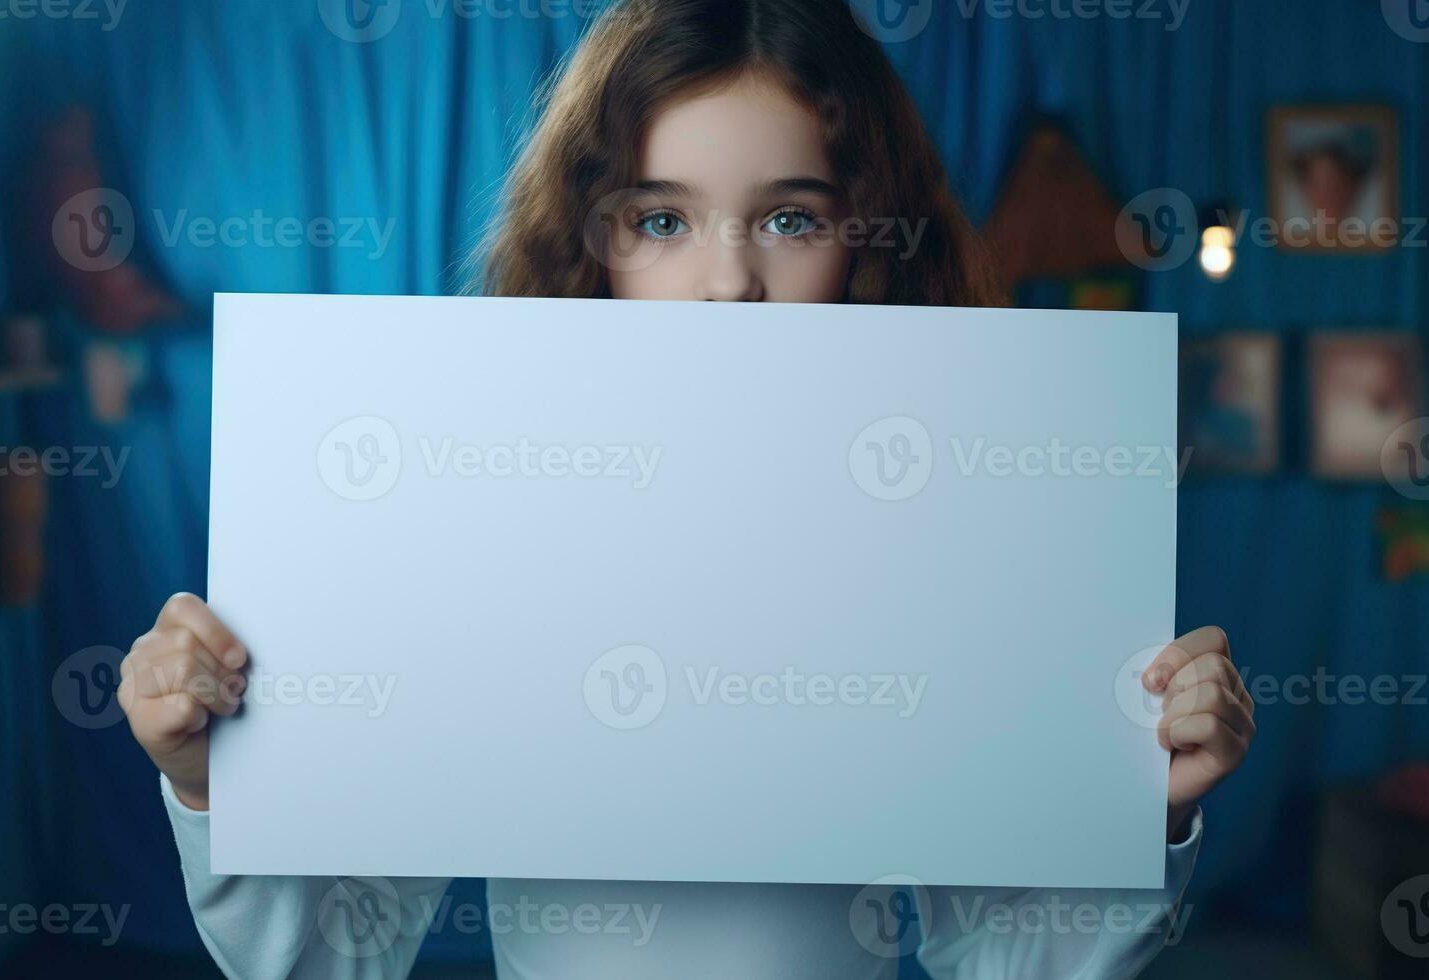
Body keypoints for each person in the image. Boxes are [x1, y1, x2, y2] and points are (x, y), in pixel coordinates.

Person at [121, 1, 1256, 976]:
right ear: (592, 244)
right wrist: (212, 783)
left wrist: (1142, 806)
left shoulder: (948, 540)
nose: (727, 283)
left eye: (790, 218)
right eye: (660, 219)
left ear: (865, 242)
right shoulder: (476, 522)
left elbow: (1016, 960)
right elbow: (334, 951)